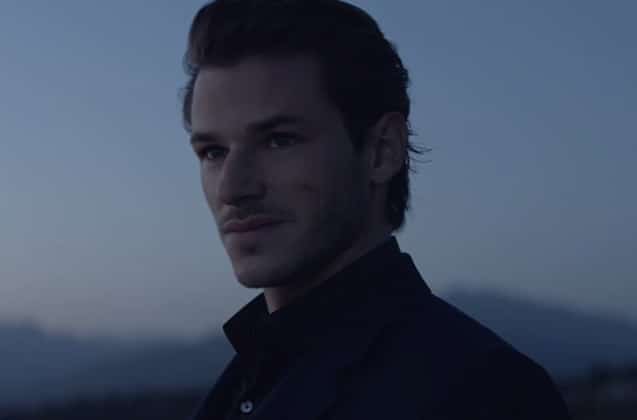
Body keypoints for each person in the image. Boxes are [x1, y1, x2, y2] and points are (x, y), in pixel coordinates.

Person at [181, 0, 571, 418]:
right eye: (213, 152)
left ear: (382, 150)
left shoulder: (484, 392)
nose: (232, 188)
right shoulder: (238, 387)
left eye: (279, 140)